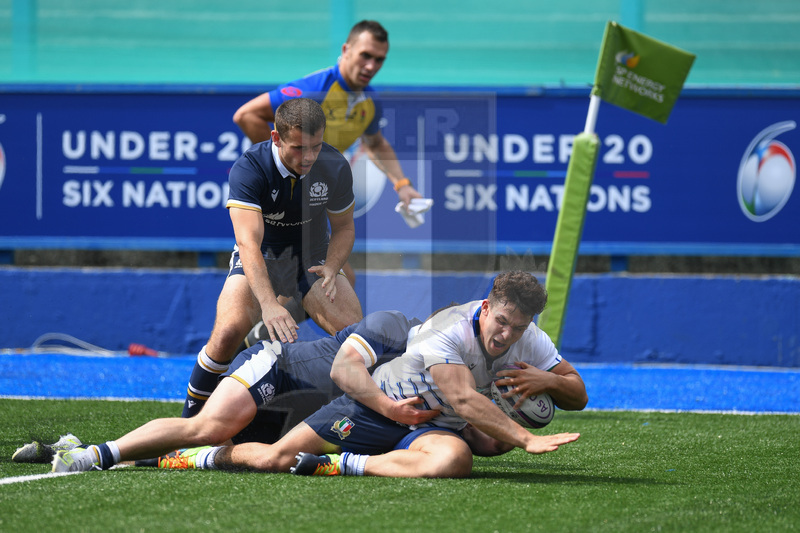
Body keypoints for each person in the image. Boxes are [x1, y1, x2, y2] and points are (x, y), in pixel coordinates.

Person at [122, 271, 587, 478]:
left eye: (517, 328)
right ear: (484, 308)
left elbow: (577, 394)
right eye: (500, 322)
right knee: (259, 452)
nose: (506, 336)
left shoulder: (530, 340)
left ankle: (340, 465)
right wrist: (524, 438)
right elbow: (350, 373)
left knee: (455, 461)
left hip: (413, 421)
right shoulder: (436, 333)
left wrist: (546, 382)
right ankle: (152, 455)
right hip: (315, 383)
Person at [51, 311, 428, 472]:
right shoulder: (393, 325)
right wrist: (393, 411)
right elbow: (344, 372)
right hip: (278, 371)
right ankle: (95, 456)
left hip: (299, 419)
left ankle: (76, 449)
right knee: (206, 429)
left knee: (240, 454)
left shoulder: (440, 374)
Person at [181, 97, 363, 418]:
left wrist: (333, 267)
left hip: (312, 259)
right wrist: (268, 305)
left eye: (316, 147)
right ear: (275, 138)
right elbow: (248, 244)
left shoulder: (334, 166)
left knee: (358, 338)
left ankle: (358, 425)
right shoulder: (249, 168)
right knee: (225, 335)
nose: (307, 157)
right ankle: (189, 424)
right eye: (298, 148)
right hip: (262, 257)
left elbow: (345, 228)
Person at [232, 19, 424, 300]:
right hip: (280, 198)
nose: (371, 66)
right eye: (365, 56)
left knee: (334, 281)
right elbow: (246, 115)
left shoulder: (369, 101)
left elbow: (376, 143)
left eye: (379, 59)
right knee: (296, 280)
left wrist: (403, 184)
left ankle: (262, 336)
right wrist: (279, 169)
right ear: (346, 49)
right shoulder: (315, 89)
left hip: (312, 200)